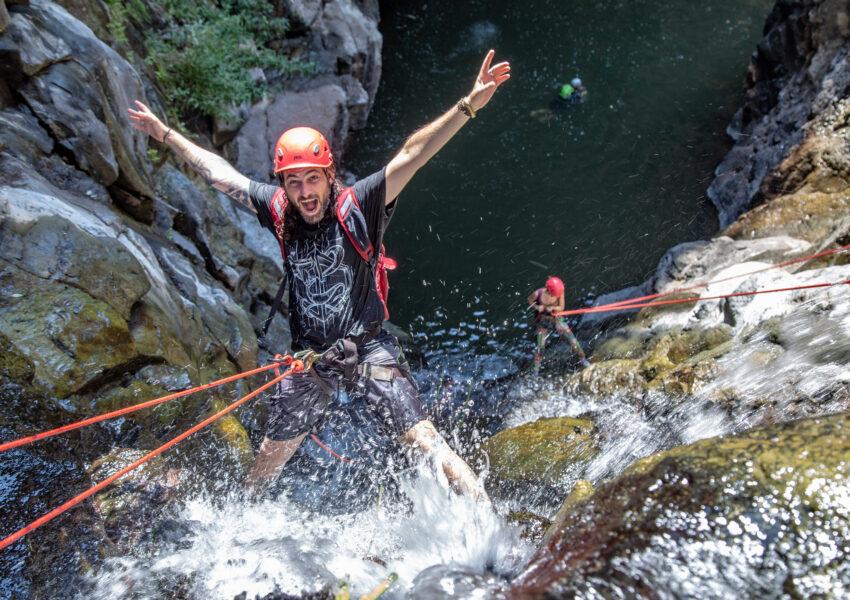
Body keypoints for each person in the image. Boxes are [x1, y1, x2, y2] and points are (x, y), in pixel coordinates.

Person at [128, 50, 511, 502]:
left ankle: (490, 527)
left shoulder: (361, 204)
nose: (305, 192)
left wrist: (468, 105)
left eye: (313, 179)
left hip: (368, 347)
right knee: (266, 462)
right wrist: (166, 133)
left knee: (425, 441)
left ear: (330, 175)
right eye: (294, 182)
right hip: (312, 360)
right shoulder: (278, 210)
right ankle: (245, 528)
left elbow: (412, 152)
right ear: (284, 185)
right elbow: (220, 173)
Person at [527, 276, 590, 373]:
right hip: (542, 322)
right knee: (540, 347)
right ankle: (536, 370)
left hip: (556, 319)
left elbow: (561, 307)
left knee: (573, 340)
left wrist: (552, 308)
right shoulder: (537, 294)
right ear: (549, 291)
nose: (557, 296)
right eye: (554, 294)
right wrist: (537, 307)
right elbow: (529, 300)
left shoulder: (560, 292)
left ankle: (583, 359)